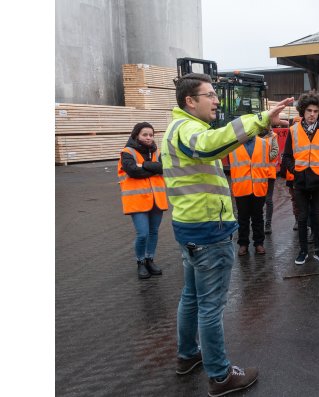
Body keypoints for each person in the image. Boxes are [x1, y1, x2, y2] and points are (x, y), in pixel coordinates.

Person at [162, 72, 292, 395]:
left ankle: (187, 355)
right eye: (210, 95)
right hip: (208, 232)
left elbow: (215, 145)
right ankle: (220, 376)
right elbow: (210, 146)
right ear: (190, 101)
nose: (217, 101)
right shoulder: (189, 130)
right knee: (210, 306)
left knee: (191, 298)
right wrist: (259, 118)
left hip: (190, 228)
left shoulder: (178, 128)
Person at [281, 91, 319, 265]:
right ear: (303, 112)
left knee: (318, 217)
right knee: (302, 217)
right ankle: (303, 251)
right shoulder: (293, 130)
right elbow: (287, 156)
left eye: (315, 111)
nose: (312, 114)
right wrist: (296, 171)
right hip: (300, 182)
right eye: (309, 111)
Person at [117, 122, 167, 279]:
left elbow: (164, 168)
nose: (148, 138)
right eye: (145, 134)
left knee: (153, 232)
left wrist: (144, 165)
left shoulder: (156, 151)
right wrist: (153, 167)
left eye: (151, 135)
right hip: (137, 200)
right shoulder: (127, 152)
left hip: (156, 200)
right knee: (143, 234)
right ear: (136, 135)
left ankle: (149, 259)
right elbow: (133, 171)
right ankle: (140, 262)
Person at [227, 133, 271, 256]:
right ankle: (243, 244)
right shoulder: (233, 144)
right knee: (242, 218)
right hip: (241, 187)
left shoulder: (264, 143)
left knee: (258, 217)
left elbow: (266, 163)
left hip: (259, 186)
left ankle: (259, 243)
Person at [262, 128, 279, 235]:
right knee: (257, 200)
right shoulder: (253, 136)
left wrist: (261, 158)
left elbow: (275, 151)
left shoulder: (273, 136)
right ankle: (258, 223)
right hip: (256, 173)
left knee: (268, 200)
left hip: (268, 173)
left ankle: (268, 224)